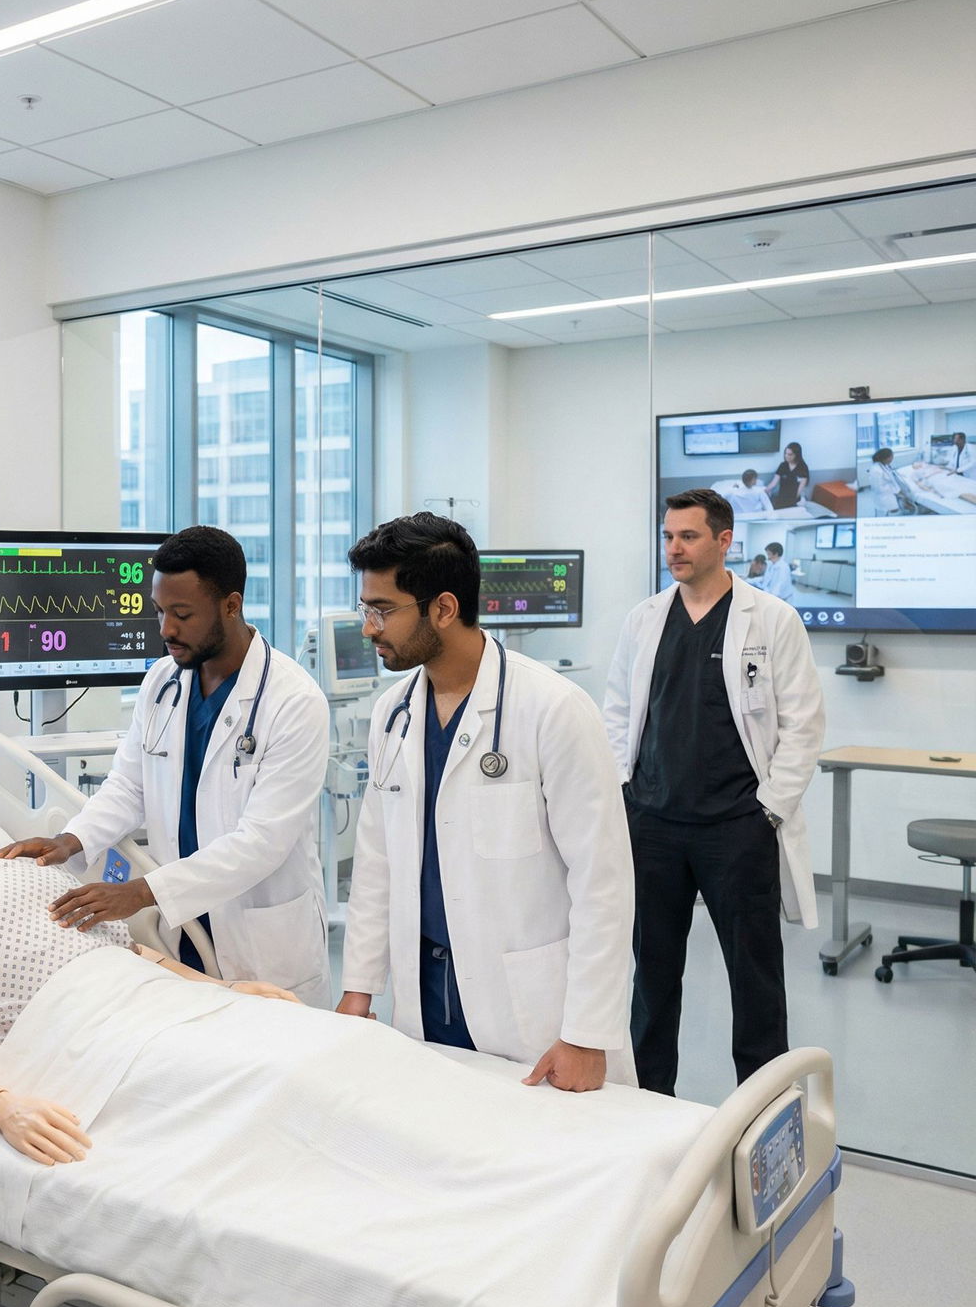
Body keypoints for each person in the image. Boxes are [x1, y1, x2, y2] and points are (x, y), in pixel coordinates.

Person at [0, 754, 297, 1164]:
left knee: (284, 1052)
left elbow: (131, 951)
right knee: (265, 1085)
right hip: (85, 1035)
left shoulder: (25, 864)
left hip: (155, 1002)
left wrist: (226, 990)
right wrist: (2, 1107)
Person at [337, 513, 636, 1090]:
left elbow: (604, 881)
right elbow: (376, 864)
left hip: (532, 1015)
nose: (369, 628)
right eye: (365, 608)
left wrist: (586, 1032)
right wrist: (358, 988)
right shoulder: (392, 714)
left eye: (383, 610)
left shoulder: (554, 710)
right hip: (424, 998)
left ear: (443, 609)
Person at [0, 526, 332, 1005]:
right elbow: (129, 787)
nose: (165, 630)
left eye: (182, 614)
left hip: (261, 938)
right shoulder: (162, 682)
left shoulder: (294, 702)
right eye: (159, 611)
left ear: (231, 606)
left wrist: (141, 892)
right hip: (183, 929)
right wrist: (70, 839)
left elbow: (262, 843)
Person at [604, 490, 825, 1097]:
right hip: (652, 823)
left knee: (754, 978)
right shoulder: (646, 618)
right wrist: (624, 790)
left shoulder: (771, 618)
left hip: (737, 827)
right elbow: (619, 711)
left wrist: (769, 810)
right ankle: (648, 1104)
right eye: (668, 536)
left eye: (688, 537)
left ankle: (762, 1111)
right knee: (651, 976)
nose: (674, 548)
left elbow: (803, 725)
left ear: (724, 540)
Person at [863, 447, 923, 515]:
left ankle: (905, 504)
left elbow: (890, 477)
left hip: (888, 488)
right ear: (886, 458)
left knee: (903, 491)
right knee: (896, 508)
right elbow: (879, 488)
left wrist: (898, 490)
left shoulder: (884, 465)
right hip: (883, 495)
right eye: (892, 457)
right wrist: (897, 492)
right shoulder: (876, 471)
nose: (892, 459)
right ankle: (903, 505)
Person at [765, 442, 810, 508]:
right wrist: (765, 490)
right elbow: (774, 483)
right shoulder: (783, 465)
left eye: (790, 454)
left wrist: (791, 501)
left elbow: (800, 489)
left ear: (796, 455)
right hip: (781, 498)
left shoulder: (803, 468)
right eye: (785, 453)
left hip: (795, 499)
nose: (786, 456)